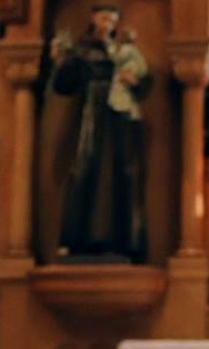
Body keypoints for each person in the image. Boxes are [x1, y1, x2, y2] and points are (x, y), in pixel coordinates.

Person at [50, 4, 150, 262]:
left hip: (120, 116)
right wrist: (61, 63)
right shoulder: (82, 50)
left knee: (124, 172)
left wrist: (135, 82)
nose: (108, 24)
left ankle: (125, 242)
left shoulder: (123, 51)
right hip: (92, 111)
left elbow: (143, 83)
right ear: (94, 19)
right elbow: (63, 85)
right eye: (104, 18)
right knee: (85, 169)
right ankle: (74, 241)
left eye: (112, 20)